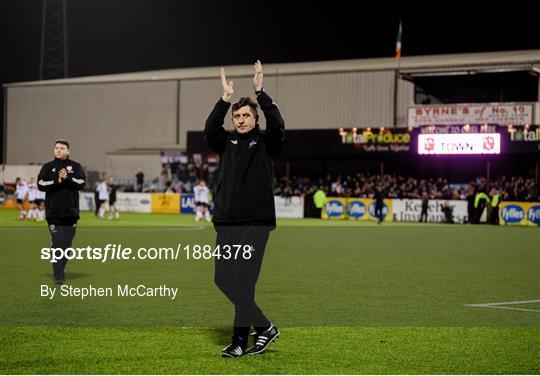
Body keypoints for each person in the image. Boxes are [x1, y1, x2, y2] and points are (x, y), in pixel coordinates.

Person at [205, 60, 285, 357]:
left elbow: (278, 124)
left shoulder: (265, 143)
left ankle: (239, 342)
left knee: (243, 281)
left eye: (245, 115)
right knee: (222, 278)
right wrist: (224, 100)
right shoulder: (225, 142)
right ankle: (264, 327)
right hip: (227, 222)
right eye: (236, 116)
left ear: (255, 119)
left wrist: (260, 92)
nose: (240, 119)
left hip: (256, 222)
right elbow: (210, 127)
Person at [37, 139, 86, 284]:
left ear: (68, 151)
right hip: (53, 212)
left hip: (71, 213)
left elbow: (81, 183)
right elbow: (40, 184)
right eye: (56, 148)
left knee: (67, 244)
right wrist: (58, 181)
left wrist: (67, 178)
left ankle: (61, 267)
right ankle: (58, 273)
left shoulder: (76, 167)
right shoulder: (48, 167)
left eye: (62, 148)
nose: (58, 150)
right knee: (57, 242)